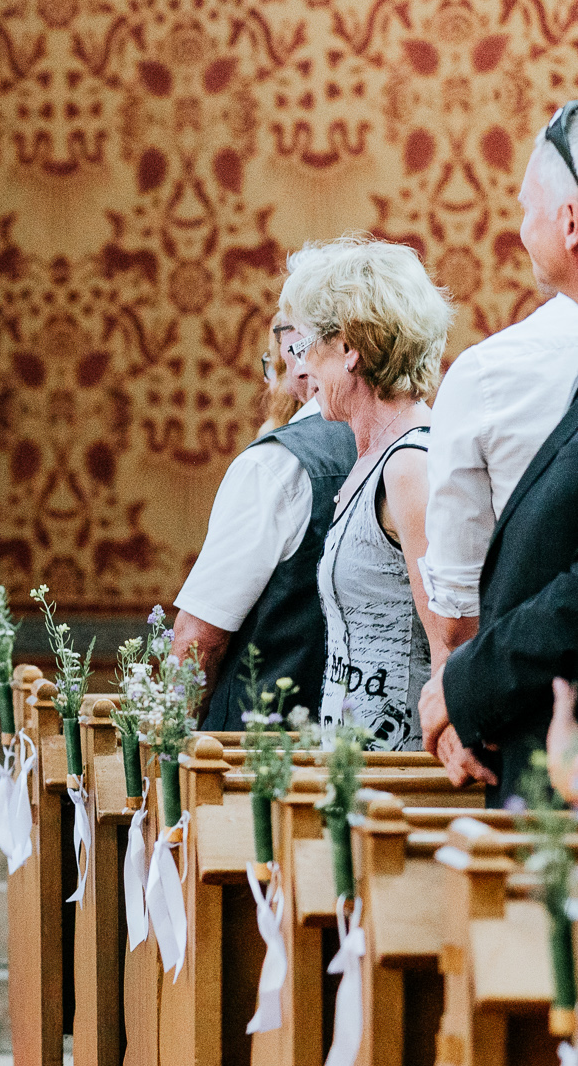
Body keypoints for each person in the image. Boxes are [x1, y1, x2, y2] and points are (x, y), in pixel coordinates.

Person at [421, 102, 578, 795]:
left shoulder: (487, 372)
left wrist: (464, 683)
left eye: (528, 209)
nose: (521, 228)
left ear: (569, 224)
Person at [281, 235, 454, 751]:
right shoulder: (369, 460)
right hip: (354, 771)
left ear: (351, 348)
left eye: (310, 345)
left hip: (399, 780)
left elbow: (452, 637)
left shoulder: (408, 466)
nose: (301, 366)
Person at [170, 303, 356, 727]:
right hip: (376, 747)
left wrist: (163, 757)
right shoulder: (424, 444)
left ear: (299, 352)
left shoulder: (275, 465)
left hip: (255, 756)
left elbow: (199, 641)